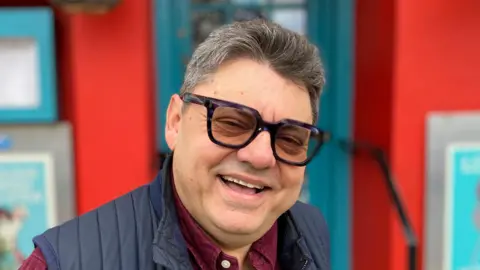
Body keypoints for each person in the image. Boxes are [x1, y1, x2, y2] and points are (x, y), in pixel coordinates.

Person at [20, 19, 330, 270]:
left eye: (290, 138)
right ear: (175, 122)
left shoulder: (308, 229)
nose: (261, 156)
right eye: (232, 124)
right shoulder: (62, 262)